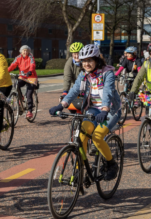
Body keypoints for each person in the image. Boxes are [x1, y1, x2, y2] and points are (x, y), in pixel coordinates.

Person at [49, 44, 121, 181]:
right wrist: (62, 104)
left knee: (97, 137)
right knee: (81, 136)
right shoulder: (83, 74)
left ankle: (111, 164)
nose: (86, 64)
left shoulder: (107, 73)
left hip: (110, 110)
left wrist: (105, 110)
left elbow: (107, 93)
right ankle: (79, 171)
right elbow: (74, 90)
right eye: (84, 61)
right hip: (93, 109)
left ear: (97, 60)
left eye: (89, 60)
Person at [8, 45, 38, 119]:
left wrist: (30, 71)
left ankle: (30, 111)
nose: (25, 52)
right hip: (23, 76)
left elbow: (32, 65)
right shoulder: (18, 57)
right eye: (23, 50)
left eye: (26, 50)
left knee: (29, 94)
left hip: (31, 77)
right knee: (16, 84)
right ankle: (20, 97)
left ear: (29, 51)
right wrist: (6, 71)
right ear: (21, 51)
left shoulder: (31, 57)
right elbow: (13, 65)